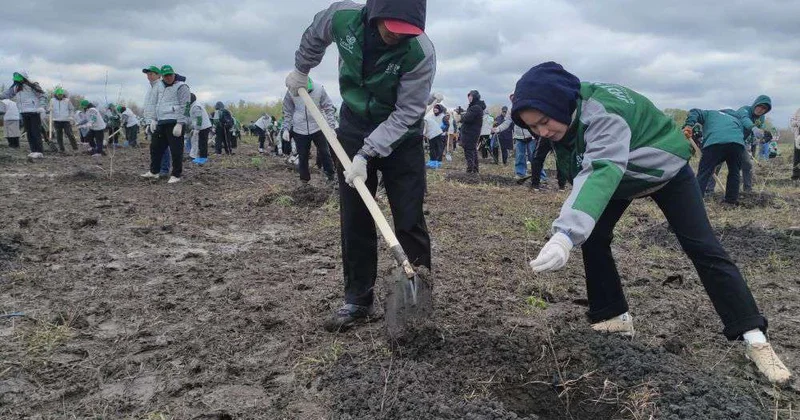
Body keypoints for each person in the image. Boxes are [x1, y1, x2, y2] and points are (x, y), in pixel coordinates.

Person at [512, 61, 791, 384]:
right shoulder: (565, 115)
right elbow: (590, 170)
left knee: (702, 246)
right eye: (534, 127)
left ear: (560, 102)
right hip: (619, 174)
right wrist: (577, 227)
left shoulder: (603, 113)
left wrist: (564, 235)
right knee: (595, 236)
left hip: (663, 170)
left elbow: (601, 168)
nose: (542, 132)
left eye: (545, 122)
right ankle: (612, 315)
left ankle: (755, 337)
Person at [286, 0, 434, 331]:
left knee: (409, 215)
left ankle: (417, 299)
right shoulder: (342, 18)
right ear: (376, 15)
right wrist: (301, 69)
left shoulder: (420, 52)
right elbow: (314, 35)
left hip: (401, 134)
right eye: (393, 30)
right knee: (355, 214)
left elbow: (409, 111)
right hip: (353, 124)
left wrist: (367, 154)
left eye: (407, 33)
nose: (399, 38)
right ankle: (358, 299)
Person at [682, 108, 752, 204]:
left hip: (714, 142)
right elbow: (737, 136)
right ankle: (731, 201)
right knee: (734, 172)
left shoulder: (709, 113)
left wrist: (689, 125)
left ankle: (696, 201)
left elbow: (695, 111)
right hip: (737, 144)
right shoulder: (736, 120)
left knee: (704, 172)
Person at [140, 65, 190, 184]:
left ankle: (176, 174)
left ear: (174, 74)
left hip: (174, 122)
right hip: (161, 122)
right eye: (165, 75)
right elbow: (156, 104)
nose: (168, 78)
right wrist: (153, 119)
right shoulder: (160, 87)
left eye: (170, 75)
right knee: (155, 148)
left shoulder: (181, 87)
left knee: (176, 150)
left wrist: (180, 123)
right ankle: (154, 171)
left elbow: (186, 106)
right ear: (162, 76)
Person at [282, 77, 337, 183]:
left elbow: (329, 107)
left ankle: (330, 176)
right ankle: (304, 180)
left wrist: (331, 127)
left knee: (325, 152)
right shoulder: (291, 91)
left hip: (318, 126)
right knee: (303, 155)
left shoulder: (319, 89)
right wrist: (286, 128)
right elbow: (287, 110)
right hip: (300, 128)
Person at [1, 72, 46, 159]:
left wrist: (42, 106)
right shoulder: (16, 87)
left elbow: (43, 95)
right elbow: (6, 94)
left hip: (34, 111)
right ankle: (33, 150)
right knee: (29, 132)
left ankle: (39, 151)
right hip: (23, 112)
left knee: (35, 132)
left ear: (23, 77)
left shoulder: (33, 85)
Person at [142, 65, 171, 176]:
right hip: (151, 121)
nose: (149, 76)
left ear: (158, 75)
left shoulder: (160, 86)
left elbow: (161, 104)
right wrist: (148, 121)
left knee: (161, 146)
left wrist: (156, 119)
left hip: (158, 120)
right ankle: (156, 169)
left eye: (151, 74)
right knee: (155, 147)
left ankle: (164, 169)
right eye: (148, 74)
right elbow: (149, 105)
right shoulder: (151, 87)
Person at [460, 90, 486, 173]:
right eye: (469, 96)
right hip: (472, 132)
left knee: (469, 150)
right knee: (472, 150)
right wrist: (463, 112)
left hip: (470, 133)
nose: (469, 98)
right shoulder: (475, 106)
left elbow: (467, 118)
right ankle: (474, 170)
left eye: (471, 96)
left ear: (475, 97)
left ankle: (470, 170)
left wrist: (460, 116)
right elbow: (468, 115)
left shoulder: (475, 107)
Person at [51, 88, 78, 152]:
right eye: (59, 94)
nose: (60, 96)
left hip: (66, 120)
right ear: (56, 94)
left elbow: (71, 109)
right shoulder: (52, 100)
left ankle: (75, 148)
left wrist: (71, 116)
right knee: (58, 135)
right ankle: (61, 149)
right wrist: (49, 109)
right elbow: (48, 108)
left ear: (63, 94)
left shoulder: (67, 101)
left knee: (69, 134)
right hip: (56, 120)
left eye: (61, 94)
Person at [189, 94, 212, 165]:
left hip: (203, 127)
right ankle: (202, 157)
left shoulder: (195, 106)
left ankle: (203, 159)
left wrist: (197, 129)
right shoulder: (194, 105)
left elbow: (199, 118)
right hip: (203, 126)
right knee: (201, 143)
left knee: (202, 143)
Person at [424, 104, 446, 169]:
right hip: (433, 133)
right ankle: (433, 161)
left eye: (436, 108)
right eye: (434, 108)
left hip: (440, 134)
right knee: (433, 148)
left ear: (440, 109)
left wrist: (441, 129)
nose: (435, 109)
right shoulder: (431, 116)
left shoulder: (443, 116)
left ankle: (437, 162)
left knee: (438, 148)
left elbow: (446, 124)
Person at [791, 108, 800, 181]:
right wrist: (797, 123)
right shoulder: (798, 111)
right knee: (797, 157)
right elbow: (792, 122)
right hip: (798, 138)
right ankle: (795, 176)